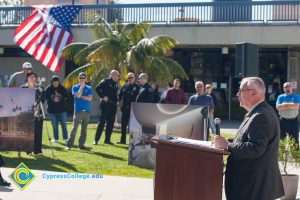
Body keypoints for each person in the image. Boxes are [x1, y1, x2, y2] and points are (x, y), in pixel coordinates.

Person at [213, 77, 284, 200]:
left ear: (254, 92)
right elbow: (248, 141)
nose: (237, 94)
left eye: (241, 90)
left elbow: (255, 148)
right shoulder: (259, 112)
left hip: (253, 188)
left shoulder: (260, 115)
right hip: (252, 186)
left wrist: (227, 146)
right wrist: (226, 141)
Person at [66, 72, 93, 150]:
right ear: (78, 78)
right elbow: (77, 96)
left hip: (87, 111)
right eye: (80, 78)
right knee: (74, 128)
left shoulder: (89, 88)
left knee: (84, 130)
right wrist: (81, 87)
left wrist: (81, 95)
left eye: (83, 78)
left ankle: (81, 145)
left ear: (86, 79)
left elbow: (90, 99)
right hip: (78, 111)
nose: (82, 79)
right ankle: (69, 145)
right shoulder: (75, 87)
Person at [21, 71, 45, 155]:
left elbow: (43, 99)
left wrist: (36, 107)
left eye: (34, 76)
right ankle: (28, 150)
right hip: (26, 113)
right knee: (28, 132)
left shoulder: (39, 88)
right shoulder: (23, 88)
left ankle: (37, 150)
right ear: (27, 78)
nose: (32, 78)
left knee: (38, 132)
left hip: (38, 113)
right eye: (30, 76)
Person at [94, 70, 119, 145]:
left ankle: (107, 140)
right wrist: (103, 96)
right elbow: (97, 88)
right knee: (102, 122)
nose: (118, 77)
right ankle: (96, 139)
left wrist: (117, 101)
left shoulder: (116, 84)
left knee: (111, 123)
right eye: (117, 75)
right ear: (113, 75)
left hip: (113, 106)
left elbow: (114, 95)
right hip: (105, 105)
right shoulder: (105, 81)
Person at [276, 82, 300, 149]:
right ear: (283, 89)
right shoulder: (280, 97)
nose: (287, 88)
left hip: (293, 121)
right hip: (282, 121)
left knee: (295, 139)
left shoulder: (296, 96)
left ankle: (295, 157)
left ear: (291, 87)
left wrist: (284, 105)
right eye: (285, 87)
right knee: (281, 139)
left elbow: (296, 106)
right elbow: (278, 107)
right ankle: (281, 155)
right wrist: (290, 104)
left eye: (288, 86)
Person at [45, 75, 69, 144]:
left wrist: (64, 104)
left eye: (57, 81)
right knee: (54, 126)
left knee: (64, 125)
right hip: (52, 111)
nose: (55, 82)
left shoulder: (63, 89)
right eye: (54, 81)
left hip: (62, 111)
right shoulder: (48, 89)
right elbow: (45, 98)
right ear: (52, 82)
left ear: (59, 82)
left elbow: (67, 98)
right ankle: (56, 139)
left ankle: (66, 139)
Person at [118, 72, 140, 144]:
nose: (130, 79)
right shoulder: (124, 86)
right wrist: (119, 102)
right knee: (123, 125)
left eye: (131, 77)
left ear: (134, 78)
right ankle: (122, 140)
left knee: (133, 127)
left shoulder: (138, 87)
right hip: (125, 109)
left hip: (134, 110)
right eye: (129, 78)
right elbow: (120, 96)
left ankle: (133, 141)